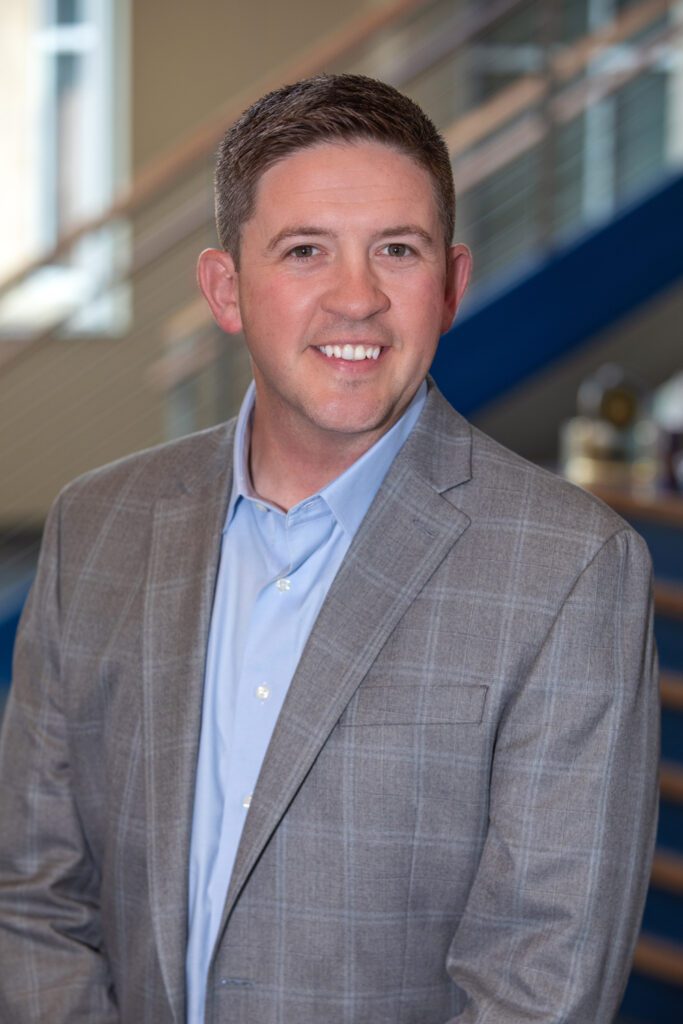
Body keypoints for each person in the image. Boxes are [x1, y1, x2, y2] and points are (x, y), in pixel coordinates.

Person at [0, 74, 659, 1024]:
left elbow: (541, 985)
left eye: (397, 249)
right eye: (305, 250)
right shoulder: (96, 526)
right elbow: (31, 894)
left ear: (450, 286)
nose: (357, 298)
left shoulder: (571, 570)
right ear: (225, 289)